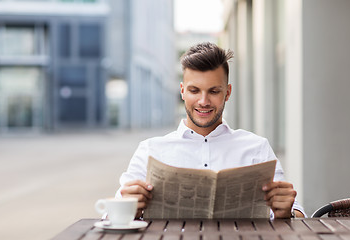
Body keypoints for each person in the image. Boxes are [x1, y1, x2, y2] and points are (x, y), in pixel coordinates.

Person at [117, 42, 306, 219]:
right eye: (194, 90)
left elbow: (297, 214)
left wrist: (287, 212)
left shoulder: (257, 148)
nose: (203, 101)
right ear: (182, 91)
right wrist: (127, 208)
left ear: (228, 92)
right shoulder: (150, 150)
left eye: (214, 91)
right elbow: (111, 216)